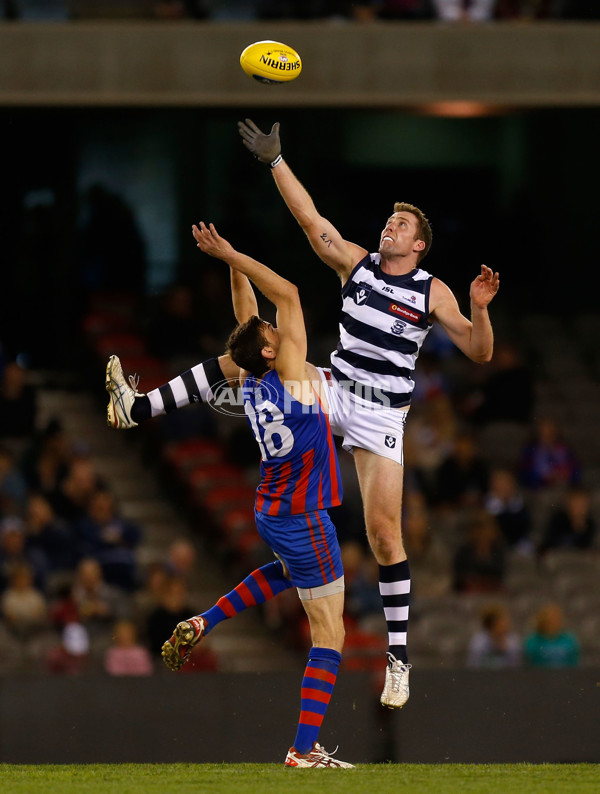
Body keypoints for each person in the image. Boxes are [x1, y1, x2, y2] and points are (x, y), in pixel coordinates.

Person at [236, 117, 499, 706]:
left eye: (401, 224)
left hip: (382, 415)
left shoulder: (433, 291)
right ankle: (147, 403)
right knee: (260, 353)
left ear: (419, 245)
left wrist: (480, 308)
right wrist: (276, 159)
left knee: (383, 535)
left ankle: (398, 660)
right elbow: (311, 221)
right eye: (389, 220)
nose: (390, 226)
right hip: (336, 387)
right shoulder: (355, 263)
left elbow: (480, 352)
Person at [113, 223, 354, 768]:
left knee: (292, 576)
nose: (276, 327)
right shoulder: (291, 373)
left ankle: (205, 621)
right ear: (270, 350)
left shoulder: (249, 380)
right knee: (331, 633)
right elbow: (287, 293)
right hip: (303, 512)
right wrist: (234, 253)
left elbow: (248, 318)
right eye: (271, 331)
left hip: (270, 506)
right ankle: (303, 749)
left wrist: (230, 264)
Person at [523, 603, 580, 668]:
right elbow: (528, 663)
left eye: (555, 619)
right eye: (549, 620)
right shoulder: (533, 641)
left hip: (565, 675)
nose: (552, 622)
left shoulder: (569, 640)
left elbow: (574, 662)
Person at [467, 602, 521, 669]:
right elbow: (474, 665)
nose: (505, 626)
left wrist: (506, 650)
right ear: (491, 625)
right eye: (500, 624)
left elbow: (516, 666)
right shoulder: (479, 641)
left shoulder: (512, 641)